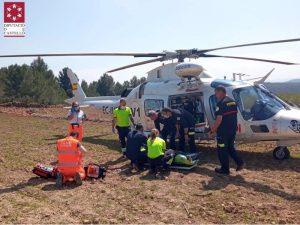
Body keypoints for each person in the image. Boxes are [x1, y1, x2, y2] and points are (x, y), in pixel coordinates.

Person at [209, 85, 244, 175]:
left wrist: (212, 130)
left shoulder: (221, 103)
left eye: (216, 93)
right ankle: (240, 162)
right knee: (230, 148)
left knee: (222, 150)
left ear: (220, 92)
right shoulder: (233, 102)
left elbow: (219, 119)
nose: (215, 95)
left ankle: (225, 169)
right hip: (232, 130)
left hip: (223, 132)